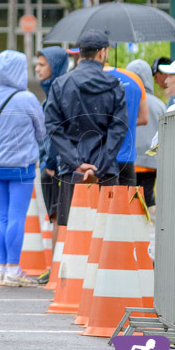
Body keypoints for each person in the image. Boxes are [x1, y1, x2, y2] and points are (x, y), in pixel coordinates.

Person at [44, 30, 128, 230]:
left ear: (80, 53)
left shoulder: (61, 84)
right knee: (105, 236)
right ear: (102, 53)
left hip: (71, 172)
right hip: (105, 171)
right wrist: (99, 165)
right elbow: (119, 128)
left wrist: (77, 163)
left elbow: (53, 126)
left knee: (74, 238)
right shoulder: (114, 85)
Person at [0, 51, 46, 287]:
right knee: (18, 216)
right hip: (21, 165)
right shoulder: (27, 98)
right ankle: (13, 270)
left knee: (4, 217)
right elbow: (41, 132)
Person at [34, 46, 69, 282]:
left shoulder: (59, 90)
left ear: (55, 66)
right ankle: (56, 266)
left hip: (54, 164)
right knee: (56, 215)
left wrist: (51, 159)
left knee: (58, 215)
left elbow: (58, 129)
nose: (37, 69)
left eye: (42, 65)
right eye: (37, 64)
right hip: (50, 162)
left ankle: (57, 268)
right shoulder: (52, 91)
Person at [126, 59, 166, 210]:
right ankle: (147, 229)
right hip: (151, 162)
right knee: (146, 200)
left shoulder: (125, 100)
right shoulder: (159, 105)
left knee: (129, 201)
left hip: (128, 161)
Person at [104, 64, 148, 186]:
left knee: (99, 203)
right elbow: (144, 118)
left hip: (98, 160)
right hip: (126, 157)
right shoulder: (133, 78)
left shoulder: (88, 78)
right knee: (126, 203)